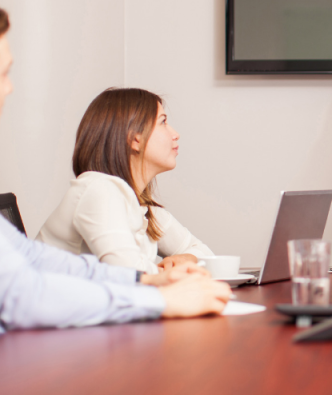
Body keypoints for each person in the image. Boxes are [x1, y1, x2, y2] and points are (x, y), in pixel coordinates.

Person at [0, 0, 231, 381]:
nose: (10, 88)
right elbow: (20, 296)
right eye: (3, 74)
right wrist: (157, 300)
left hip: (14, 363)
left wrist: (142, 281)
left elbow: (28, 256)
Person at [37, 88, 213, 273]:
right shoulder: (99, 190)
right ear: (134, 139)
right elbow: (130, 275)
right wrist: (170, 273)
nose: (175, 133)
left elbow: (207, 254)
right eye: (163, 122)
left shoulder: (145, 210)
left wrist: (186, 258)